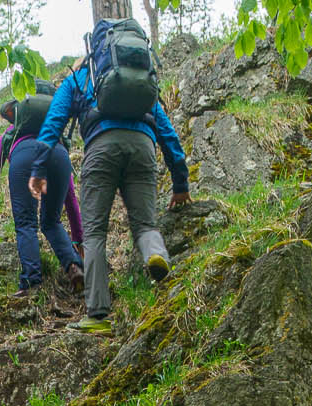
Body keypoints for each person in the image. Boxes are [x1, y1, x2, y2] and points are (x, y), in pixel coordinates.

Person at [26, 23, 190, 336]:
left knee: (95, 232)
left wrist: (38, 169)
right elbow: (167, 132)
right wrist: (180, 182)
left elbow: (52, 125)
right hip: (143, 148)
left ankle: (98, 315)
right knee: (145, 224)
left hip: (101, 149)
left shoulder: (80, 77)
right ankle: (155, 254)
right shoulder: (141, 79)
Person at [0, 93, 84, 299]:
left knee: (26, 223)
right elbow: (70, 197)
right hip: (59, 156)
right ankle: (73, 266)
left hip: (24, 156)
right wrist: (78, 238)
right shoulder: (56, 135)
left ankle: (31, 282)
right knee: (52, 222)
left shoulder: (11, 134)